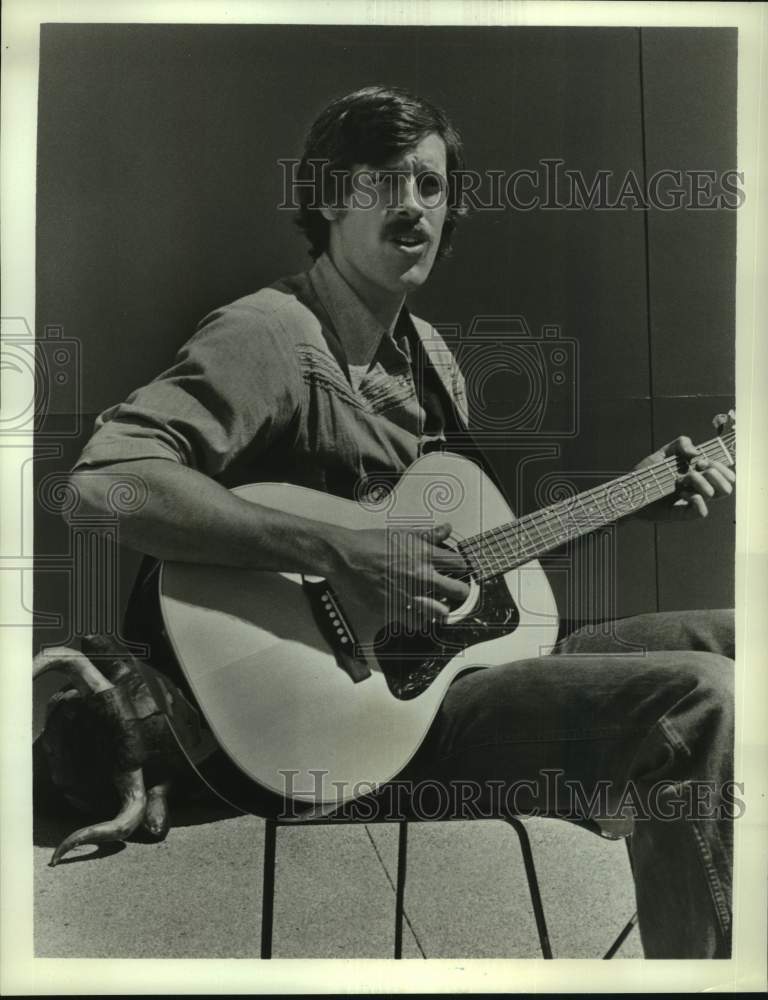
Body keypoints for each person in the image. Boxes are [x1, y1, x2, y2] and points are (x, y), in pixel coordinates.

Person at [69, 85, 736, 958]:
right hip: (346, 722)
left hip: (448, 674)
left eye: (429, 184)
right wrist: (335, 549)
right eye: (383, 180)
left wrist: (647, 489)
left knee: (736, 636)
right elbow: (104, 483)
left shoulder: (429, 359)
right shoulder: (272, 334)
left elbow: (466, 566)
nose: (412, 204)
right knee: (700, 701)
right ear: (326, 197)